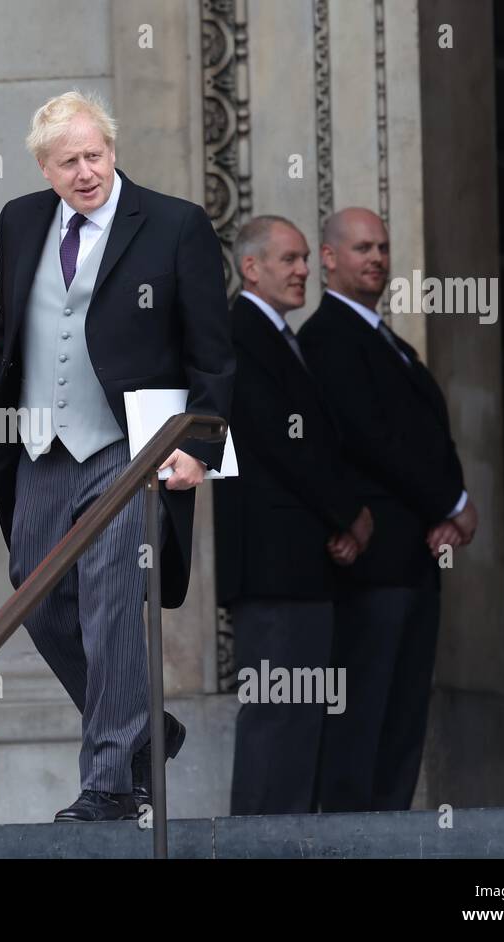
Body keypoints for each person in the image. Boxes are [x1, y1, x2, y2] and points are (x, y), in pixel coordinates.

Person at [0, 90, 234, 821]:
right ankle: (152, 728)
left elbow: (213, 352)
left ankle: (111, 783)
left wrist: (200, 446)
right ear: (44, 167)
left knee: (113, 600)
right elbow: (10, 326)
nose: (86, 171)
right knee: (35, 588)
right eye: (69, 162)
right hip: (40, 445)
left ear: (112, 150)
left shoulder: (176, 224)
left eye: (95, 155)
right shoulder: (20, 221)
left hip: (132, 445)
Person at [298, 207, 477, 812]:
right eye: (361, 248)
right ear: (329, 258)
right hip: (372, 563)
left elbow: (426, 435)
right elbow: (370, 437)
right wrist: (452, 503)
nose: (375, 258)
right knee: (363, 711)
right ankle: (352, 844)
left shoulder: (391, 342)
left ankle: (391, 837)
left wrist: (447, 513)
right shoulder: (325, 338)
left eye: (382, 247)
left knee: (402, 716)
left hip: (417, 557)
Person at [215, 215, 371, 815]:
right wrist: (348, 514)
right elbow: (283, 439)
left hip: (301, 564)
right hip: (273, 567)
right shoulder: (240, 332)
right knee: (277, 718)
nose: (305, 270)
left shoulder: (281, 335)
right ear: (251, 267)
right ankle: (254, 848)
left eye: (307, 258)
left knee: (301, 721)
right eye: (290, 259)